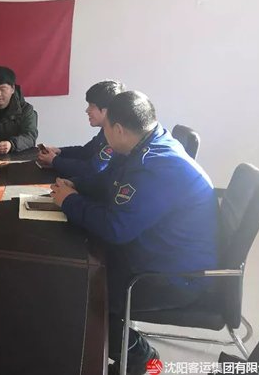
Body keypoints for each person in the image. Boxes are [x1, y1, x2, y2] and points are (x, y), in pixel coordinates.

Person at [49, 91, 219, 375]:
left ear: (118, 129)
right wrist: (75, 186)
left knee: (87, 299)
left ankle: (143, 359)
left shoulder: (156, 166)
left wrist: (70, 202)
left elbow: (116, 228)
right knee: (77, 273)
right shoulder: (144, 142)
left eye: (105, 127)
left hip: (174, 276)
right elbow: (108, 181)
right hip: (155, 248)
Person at [37, 80, 125, 177]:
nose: (87, 110)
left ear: (106, 111)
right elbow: (86, 152)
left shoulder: (116, 137)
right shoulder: (105, 130)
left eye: (92, 106)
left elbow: (92, 169)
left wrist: (55, 161)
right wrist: (59, 152)